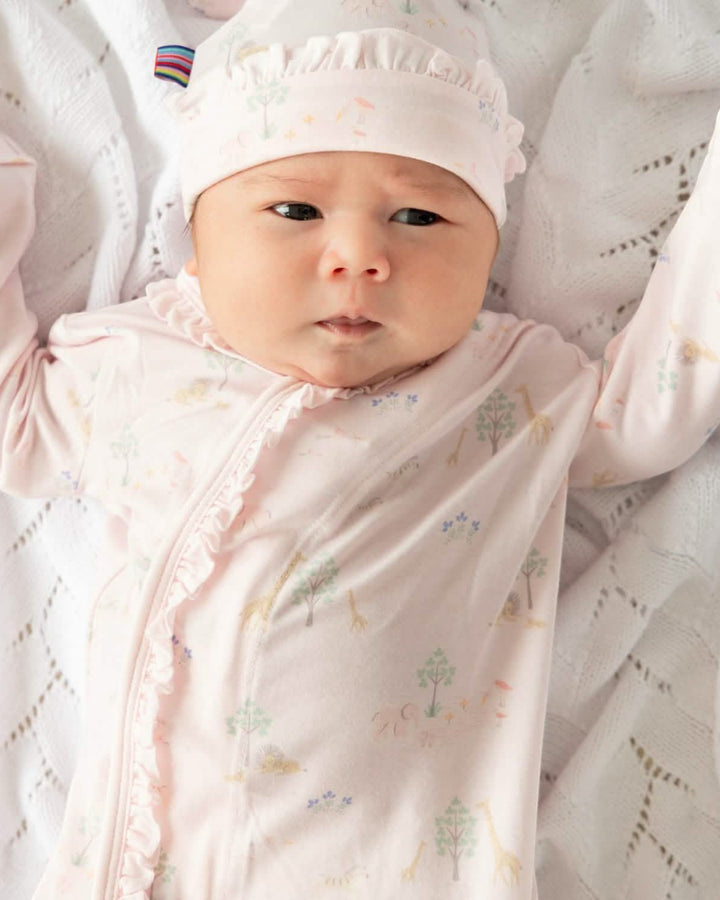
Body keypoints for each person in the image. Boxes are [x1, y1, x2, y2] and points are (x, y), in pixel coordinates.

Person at [1, 1, 718, 897]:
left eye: (419, 216)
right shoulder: (138, 364)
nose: (358, 255)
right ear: (200, 246)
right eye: (295, 209)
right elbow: (17, 427)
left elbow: (655, 407)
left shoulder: (502, 392)